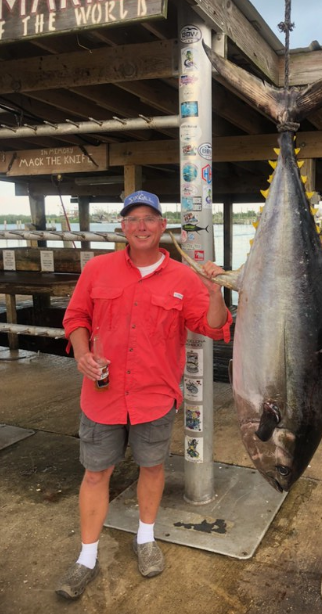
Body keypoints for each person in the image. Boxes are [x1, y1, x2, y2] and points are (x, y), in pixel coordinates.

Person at [56, 190, 232, 599]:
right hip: (102, 395)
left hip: (155, 396)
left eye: (149, 218)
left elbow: (214, 328)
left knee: (152, 468)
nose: (140, 225)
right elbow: (76, 317)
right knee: (96, 472)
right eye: (132, 218)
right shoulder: (97, 269)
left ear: (162, 226)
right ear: (122, 227)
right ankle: (86, 558)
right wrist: (82, 353)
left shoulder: (184, 278)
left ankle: (146, 538)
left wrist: (214, 290)